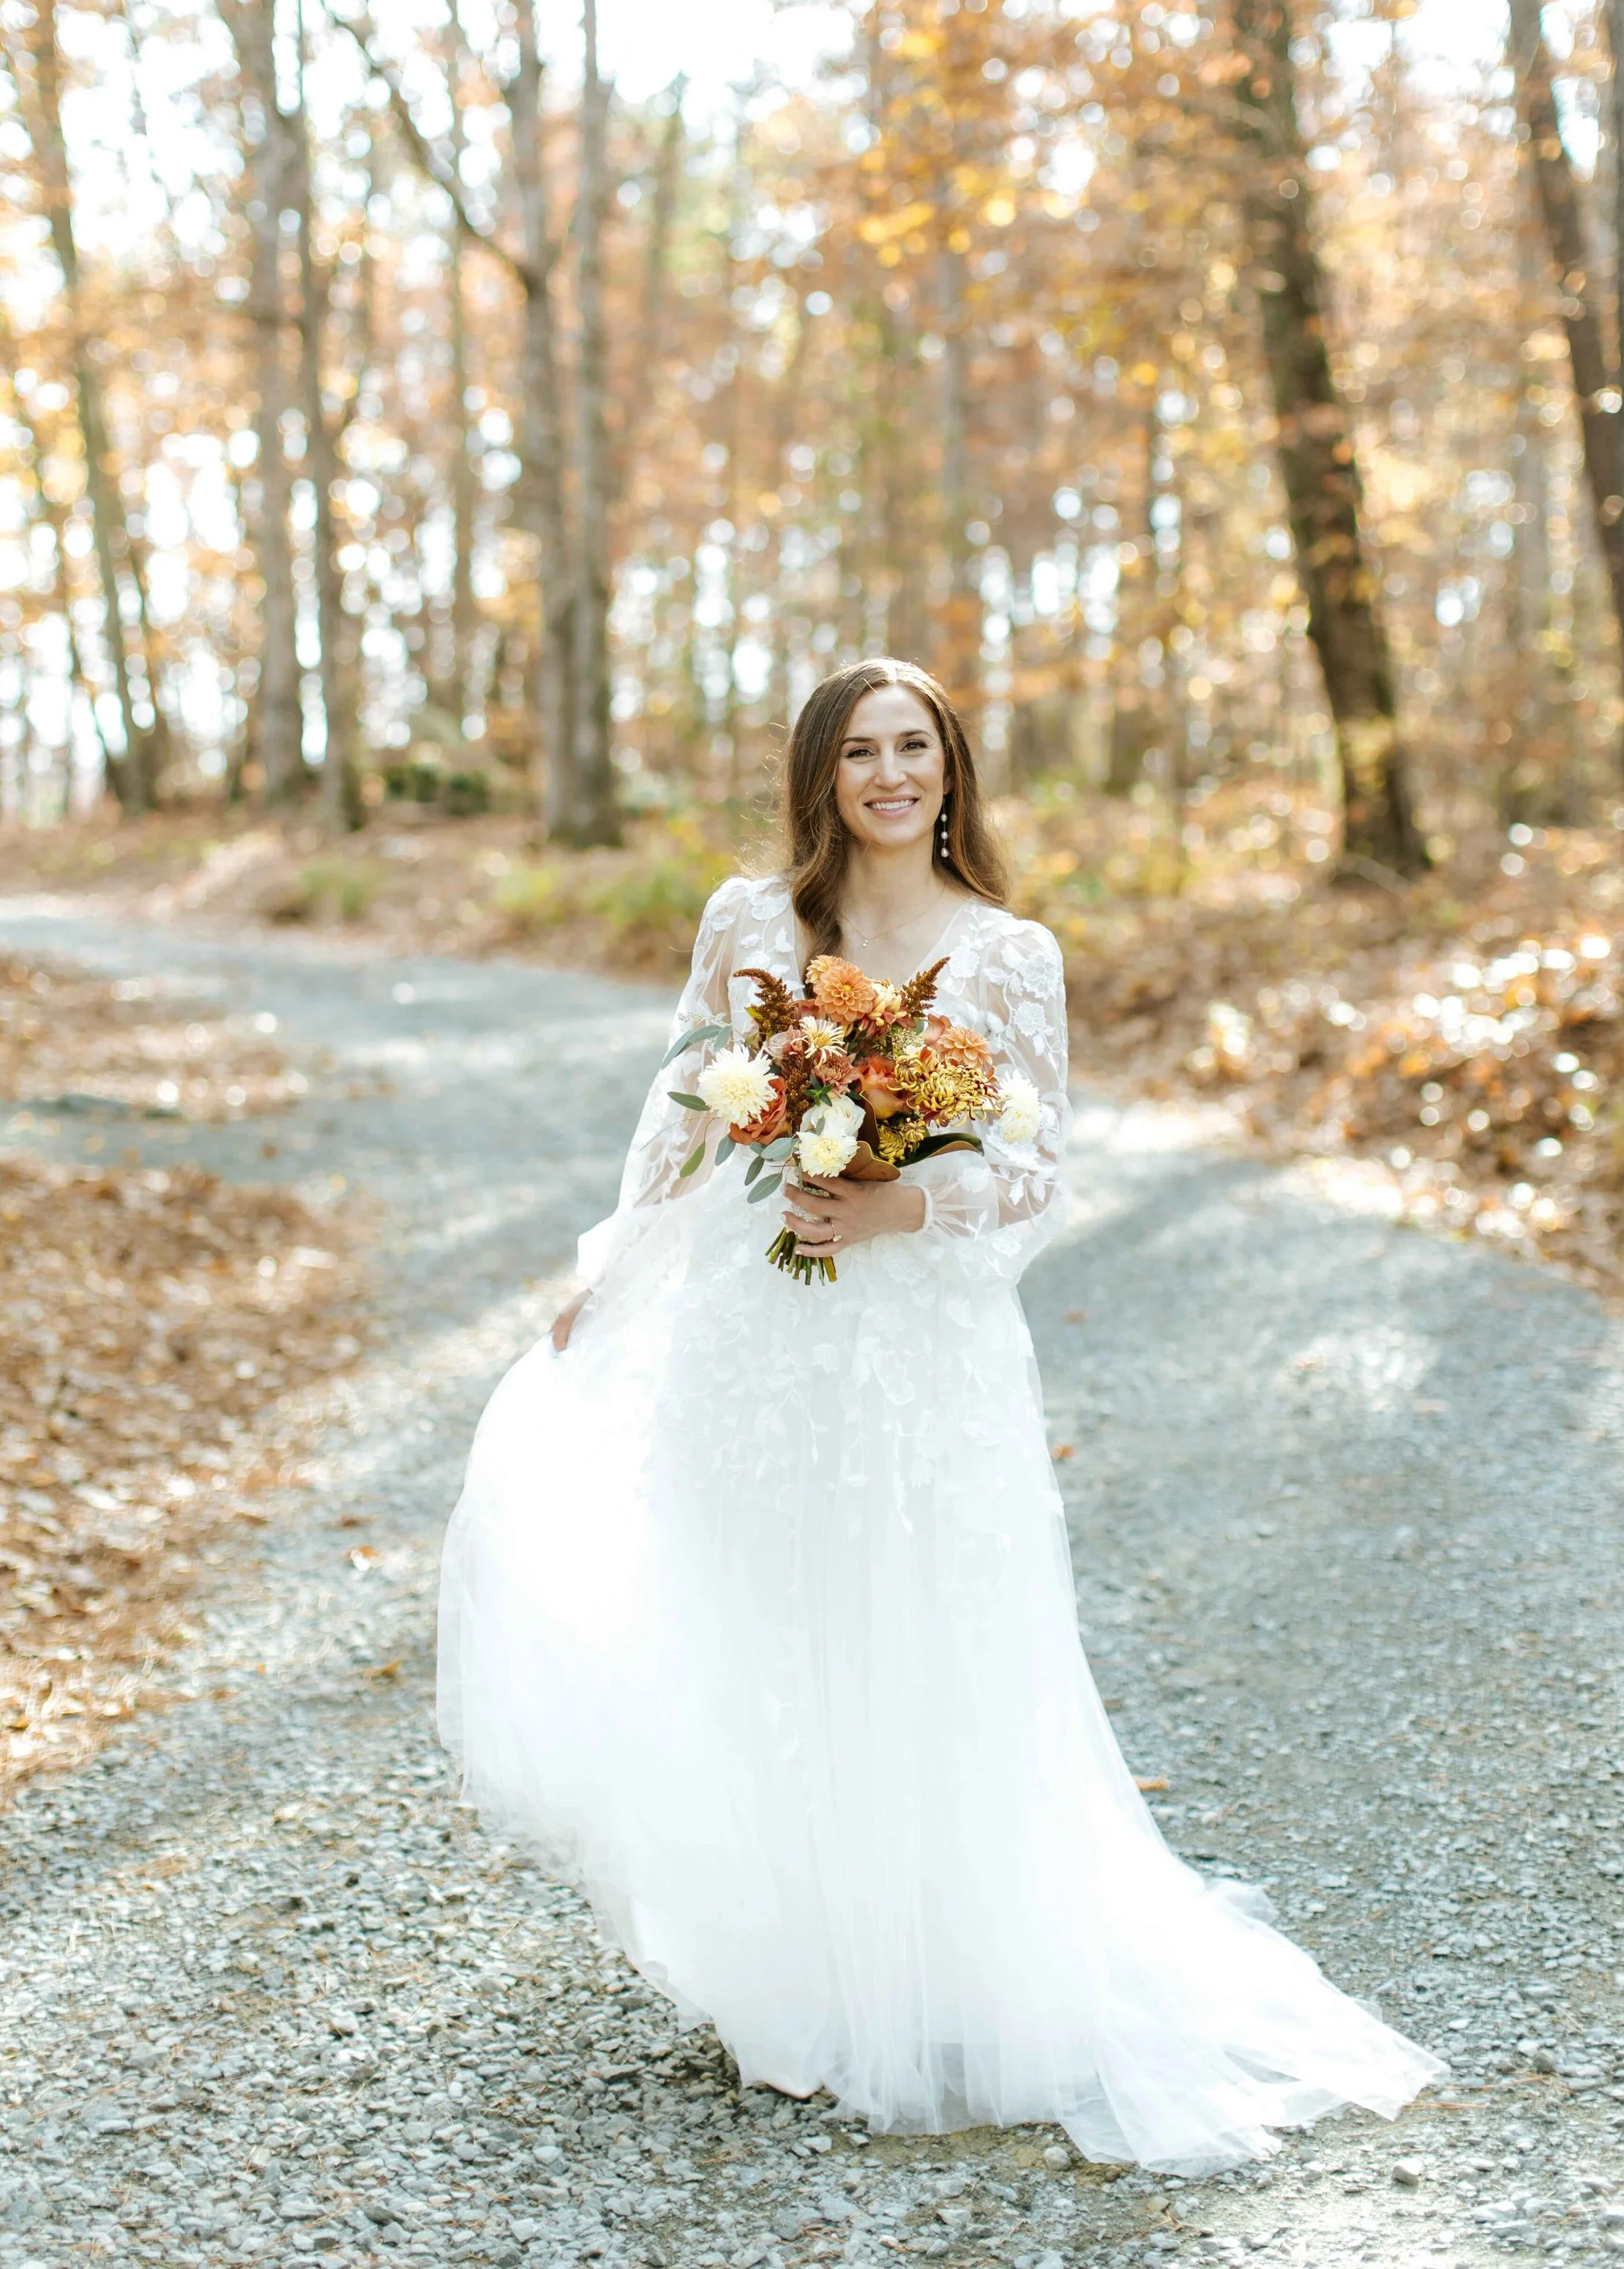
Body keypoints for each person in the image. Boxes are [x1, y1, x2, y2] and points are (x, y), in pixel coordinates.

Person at [436, 657, 1442, 2174]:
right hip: (750, 1338)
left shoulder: (1006, 954)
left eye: (913, 748)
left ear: (950, 769)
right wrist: (612, 1267)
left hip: (919, 1350)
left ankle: (932, 1972)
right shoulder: (747, 925)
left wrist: (901, 1198)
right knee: (761, 1620)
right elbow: (679, 1116)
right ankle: (798, 1973)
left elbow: (1038, 1170)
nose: (888, 775)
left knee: (920, 1624)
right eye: (858, 753)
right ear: (819, 778)